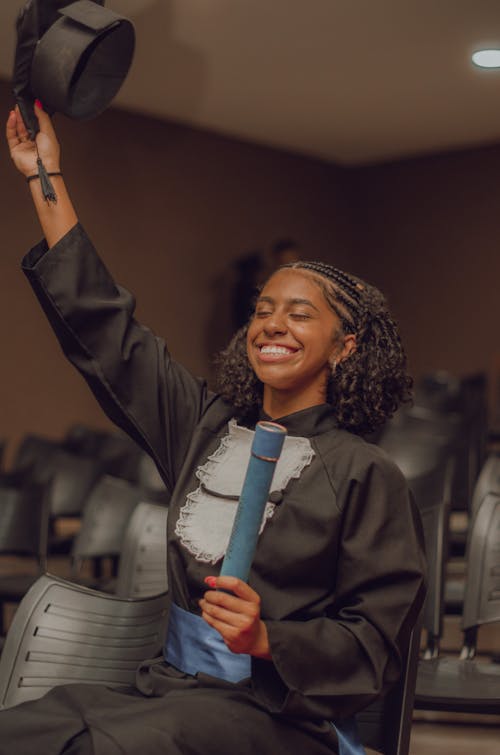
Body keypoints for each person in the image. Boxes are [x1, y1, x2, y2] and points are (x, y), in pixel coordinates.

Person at [2, 103, 426, 755]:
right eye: (263, 310)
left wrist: (267, 638)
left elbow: (374, 645)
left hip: (276, 717)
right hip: (167, 687)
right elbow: (111, 335)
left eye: (299, 313)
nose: (271, 324)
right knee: (26, 729)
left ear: (346, 346)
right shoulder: (208, 427)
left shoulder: (367, 474)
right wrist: (44, 178)